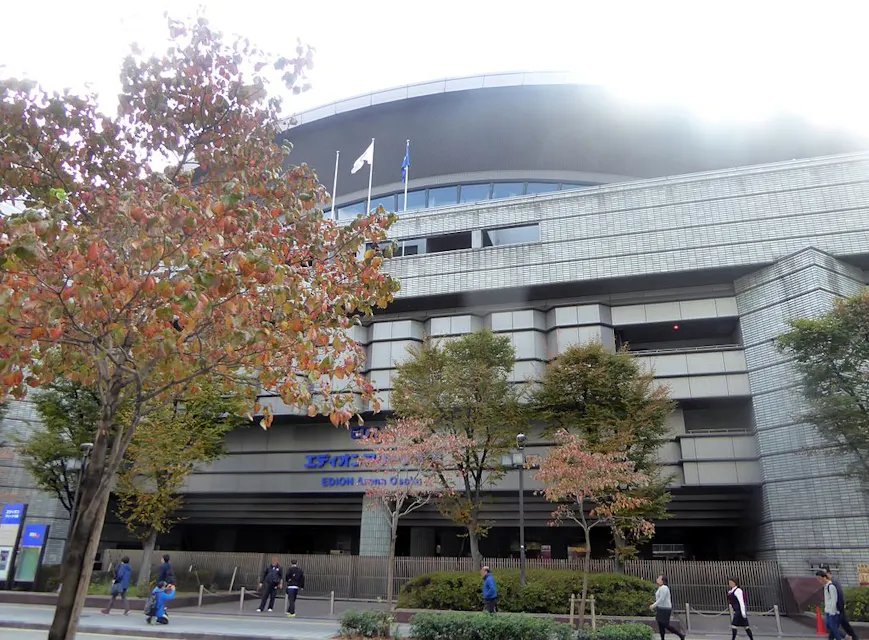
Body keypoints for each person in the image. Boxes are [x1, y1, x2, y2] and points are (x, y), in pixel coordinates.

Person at [826, 568, 858, 640]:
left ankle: (848, 637)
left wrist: (838, 608)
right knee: (835, 627)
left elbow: (839, 596)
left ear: (830, 574)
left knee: (832, 626)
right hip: (838, 609)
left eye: (825, 574)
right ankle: (852, 637)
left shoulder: (833, 583)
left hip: (837, 609)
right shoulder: (831, 583)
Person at [650, 575, 685, 640]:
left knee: (665, 625)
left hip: (665, 609)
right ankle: (662, 638)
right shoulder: (660, 587)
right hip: (661, 608)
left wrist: (653, 605)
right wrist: (656, 606)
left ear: (662, 580)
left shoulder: (664, 588)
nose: (657, 579)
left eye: (659, 578)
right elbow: (659, 599)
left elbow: (661, 599)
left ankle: (681, 635)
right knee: (660, 624)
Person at [818, 570, 845, 640]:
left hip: (832, 612)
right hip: (828, 610)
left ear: (824, 578)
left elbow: (834, 600)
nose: (819, 581)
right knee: (830, 627)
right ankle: (845, 636)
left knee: (833, 628)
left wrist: (832, 612)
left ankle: (844, 636)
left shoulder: (831, 586)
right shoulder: (825, 586)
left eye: (820, 579)